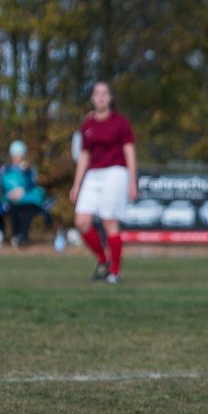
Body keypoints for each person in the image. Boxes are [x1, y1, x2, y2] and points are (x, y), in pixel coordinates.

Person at [71, 81, 137, 284]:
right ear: (92, 98)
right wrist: (76, 184)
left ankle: (115, 272)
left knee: (110, 222)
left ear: (110, 98)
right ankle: (103, 260)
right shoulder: (87, 125)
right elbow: (84, 155)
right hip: (93, 174)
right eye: (96, 93)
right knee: (81, 222)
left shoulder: (120, 122)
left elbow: (129, 152)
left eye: (104, 93)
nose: (100, 97)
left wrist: (133, 181)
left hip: (115, 172)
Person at [0, 140, 51, 247]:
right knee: (13, 210)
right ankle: (16, 236)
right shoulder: (5, 169)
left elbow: (32, 185)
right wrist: (11, 194)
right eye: (15, 155)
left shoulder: (29, 169)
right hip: (10, 200)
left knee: (27, 210)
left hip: (26, 199)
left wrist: (26, 174)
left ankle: (22, 237)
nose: (17, 158)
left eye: (20, 155)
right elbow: (2, 185)